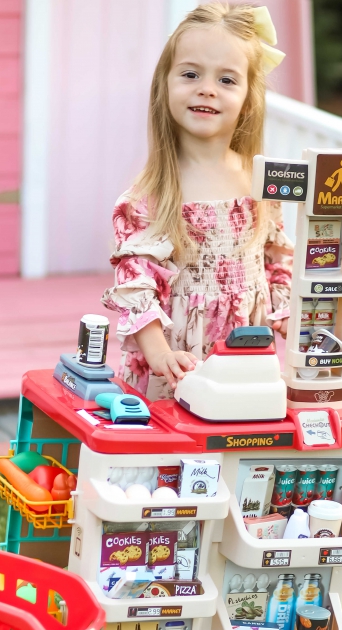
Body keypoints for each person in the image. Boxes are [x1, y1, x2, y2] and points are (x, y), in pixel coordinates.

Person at [101, 3, 294, 401]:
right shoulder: (152, 195)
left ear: (249, 98)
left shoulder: (260, 181)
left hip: (245, 362)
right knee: (179, 440)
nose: (207, 88)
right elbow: (136, 284)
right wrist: (160, 354)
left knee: (239, 435)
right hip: (176, 368)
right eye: (190, 74)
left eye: (227, 79)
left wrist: (287, 311)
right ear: (165, 85)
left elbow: (276, 259)